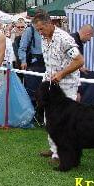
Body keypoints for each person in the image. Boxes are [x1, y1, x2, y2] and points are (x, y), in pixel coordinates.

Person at [34, 11, 84, 161]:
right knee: (50, 117)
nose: (40, 33)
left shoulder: (64, 39)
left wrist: (62, 73)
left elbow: (79, 60)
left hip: (67, 84)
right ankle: (54, 149)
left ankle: (65, 153)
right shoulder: (44, 38)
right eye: (37, 30)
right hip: (50, 84)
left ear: (50, 24)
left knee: (65, 120)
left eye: (41, 29)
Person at [18, 15, 45, 107]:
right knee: (32, 89)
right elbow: (22, 48)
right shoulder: (30, 30)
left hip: (46, 61)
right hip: (34, 62)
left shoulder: (46, 29)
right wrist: (23, 61)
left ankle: (41, 113)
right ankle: (31, 114)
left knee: (44, 89)